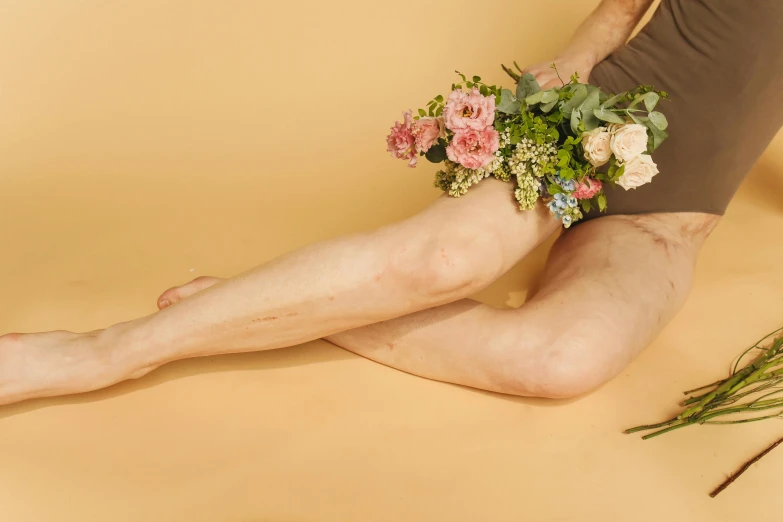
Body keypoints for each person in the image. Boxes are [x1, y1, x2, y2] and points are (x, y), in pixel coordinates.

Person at [1, 0, 781, 406]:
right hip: (596, 122)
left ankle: (271, 306)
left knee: (561, 362)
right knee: (449, 259)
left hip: (673, 210)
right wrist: (557, 87)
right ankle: (102, 352)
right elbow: (617, 14)